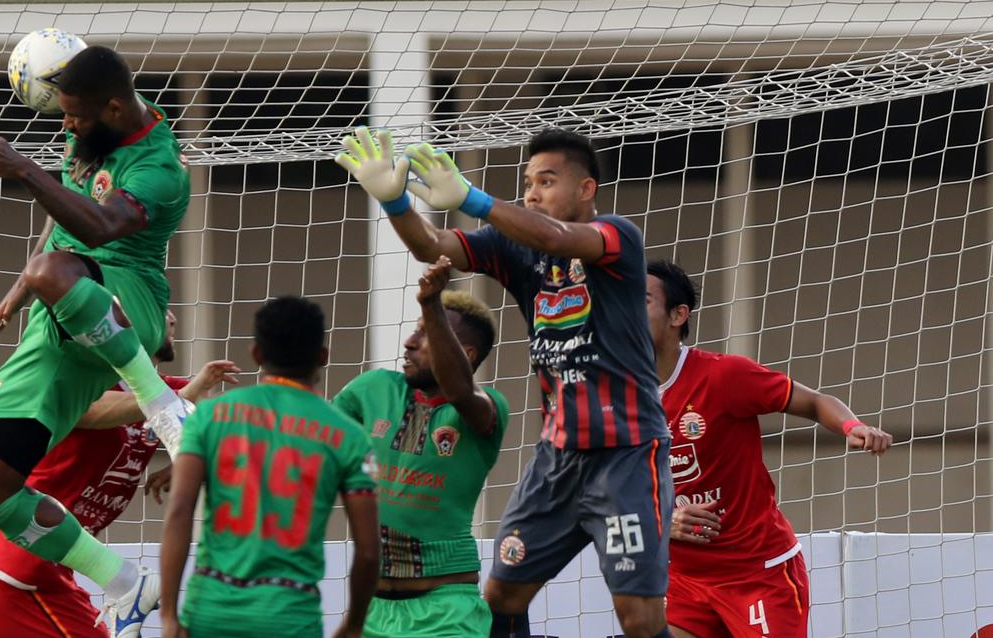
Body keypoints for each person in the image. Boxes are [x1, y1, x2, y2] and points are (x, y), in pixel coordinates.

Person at [336, 126, 673, 638]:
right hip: (556, 460)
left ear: (586, 190)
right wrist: (394, 201)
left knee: (640, 620)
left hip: (625, 455)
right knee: (500, 599)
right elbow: (432, 246)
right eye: (527, 182)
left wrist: (473, 198)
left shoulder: (617, 237)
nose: (532, 193)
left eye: (546, 181)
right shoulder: (514, 248)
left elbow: (556, 237)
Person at [0, 45, 191, 637]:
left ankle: (161, 402)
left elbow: (102, 225)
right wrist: (19, 289)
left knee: (52, 272)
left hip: (130, 288)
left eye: (75, 116)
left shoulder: (160, 168)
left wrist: (24, 170)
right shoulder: (91, 130)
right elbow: (64, 219)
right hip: (61, 308)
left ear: (113, 108)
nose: (65, 125)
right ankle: (125, 584)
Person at [645, 260, 892, 638]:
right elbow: (606, 487)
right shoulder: (616, 394)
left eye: (641, 300)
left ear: (678, 315)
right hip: (684, 580)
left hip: (758, 574)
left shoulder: (723, 376)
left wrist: (852, 426)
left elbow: (812, 401)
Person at [0, 310, 239, 637]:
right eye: (159, 308)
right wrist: (172, 401)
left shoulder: (167, 392)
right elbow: (93, 411)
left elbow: (223, 437)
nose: (171, 316)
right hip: (19, 576)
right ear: (130, 323)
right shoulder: (93, 385)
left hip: (53, 576)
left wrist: (182, 460)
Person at [160, 296, 381, 638]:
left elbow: (179, 511)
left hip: (213, 607)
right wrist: (353, 625)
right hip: (290, 614)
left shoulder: (210, 414)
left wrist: (169, 616)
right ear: (322, 357)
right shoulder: (348, 435)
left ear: (257, 355)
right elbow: (368, 552)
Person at [333, 256, 510, 638]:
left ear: (466, 354)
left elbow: (461, 389)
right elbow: (313, 444)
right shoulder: (373, 389)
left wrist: (432, 303)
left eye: (426, 333)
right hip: (373, 611)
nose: (410, 342)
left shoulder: (487, 409)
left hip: (447, 612)